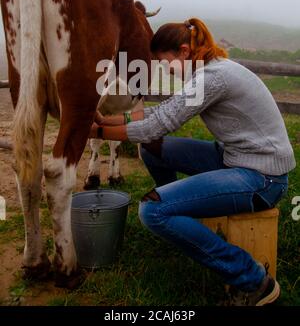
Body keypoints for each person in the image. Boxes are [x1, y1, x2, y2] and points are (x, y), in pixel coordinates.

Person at [89, 18, 296, 306]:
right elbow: (162, 112)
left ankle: (253, 280)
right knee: (152, 149)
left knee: (152, 210)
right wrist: (107, 121)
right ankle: (184, 216)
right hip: (233, 158)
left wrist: (96, 130)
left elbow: (156, 125)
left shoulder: (211, 79)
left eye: (165, 63)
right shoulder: (206, 72)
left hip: (262, 178)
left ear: (184, 51)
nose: (164, 70)